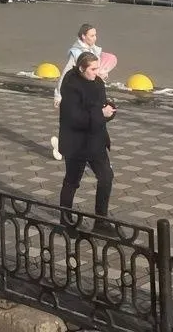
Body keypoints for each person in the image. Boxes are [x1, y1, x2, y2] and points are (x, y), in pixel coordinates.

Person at [57, 51, 116, 227]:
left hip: (96, 140)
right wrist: (100, 113)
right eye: (93, 69)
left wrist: (109, 110)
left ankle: (101, 221)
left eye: (98, 68)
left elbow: (101, 107)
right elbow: (75, 118)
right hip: (76, 143)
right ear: (82, 69)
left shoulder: (98, 82)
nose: (97, 72)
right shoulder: (71, 86)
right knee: (72, 181)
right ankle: (65, 221)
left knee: (106, 177)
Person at [51, 23, 105, 160]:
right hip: (78, 93)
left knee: (90, 122)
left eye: (95, 35)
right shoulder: (76, 53)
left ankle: (76, 150)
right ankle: (65, 148)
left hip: (91, 92)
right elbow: (65, 74)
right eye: (92, 35)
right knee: (78, 123)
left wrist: (101, 74)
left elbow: (95, 71)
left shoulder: (95, 50)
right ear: (83, 36)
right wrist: (58, 95)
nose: (95, 38)